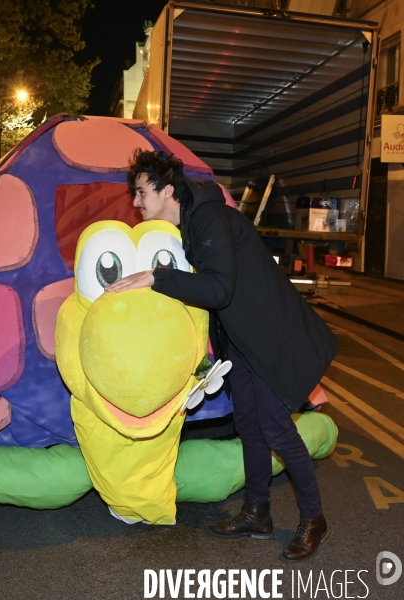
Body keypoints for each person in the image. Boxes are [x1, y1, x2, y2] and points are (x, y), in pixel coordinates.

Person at [106, 150, 338, 562]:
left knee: (276, 431)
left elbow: (218, 290)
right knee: (248, 425)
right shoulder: (192, 222)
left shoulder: (209, 219)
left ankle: (314, 519)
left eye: (141, 192)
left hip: (268, 338)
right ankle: (257, 512)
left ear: (168, 190)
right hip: (242, 341)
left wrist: (155, 277)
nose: (136, 202)